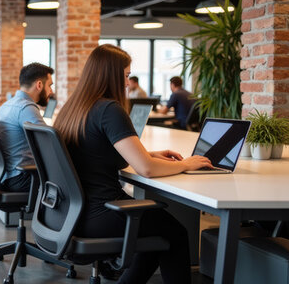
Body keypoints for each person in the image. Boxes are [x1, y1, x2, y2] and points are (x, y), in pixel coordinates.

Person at [52, 44, 212, 283]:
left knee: (157, 236)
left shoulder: (73, 108)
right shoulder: (109, 109)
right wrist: (186, 164)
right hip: (102, 212)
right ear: (111, 75)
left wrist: (148, 153)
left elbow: (97, 151)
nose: (128, 83)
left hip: (72, 213)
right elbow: (146, 170)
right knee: (176, 234)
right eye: (126, 76)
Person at [0, 63, 53, 193]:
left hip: (4, 176)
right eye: (50, 85)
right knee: (71, 183)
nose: (51, 91)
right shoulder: (26, 108)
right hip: (21, 178)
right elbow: (50, 144)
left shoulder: (7, 105)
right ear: (39, 85)